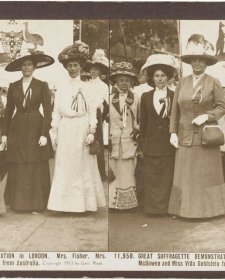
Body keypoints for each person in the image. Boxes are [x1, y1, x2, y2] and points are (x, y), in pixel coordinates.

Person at [169, 34, 225, 218]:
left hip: (206, 137)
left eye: (201, 60)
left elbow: (222, 106)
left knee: (206, 176)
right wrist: (173, 132)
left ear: (206, 62)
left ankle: (211, 211)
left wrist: (207, 117)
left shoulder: (213, 82)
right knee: (186, 176)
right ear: (190, 62)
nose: (197, 63)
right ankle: (184, 211)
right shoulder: (182, 83)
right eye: (194, 60)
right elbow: (175, 110)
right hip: (185, 136)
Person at [47, 41, 106, 213]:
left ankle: (83, 205)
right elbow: (56, 112)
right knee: (64, 165)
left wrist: (92, 131)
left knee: (83, 165)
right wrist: (54, 132)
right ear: (66, 68)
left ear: (81, 67)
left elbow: (92, 112)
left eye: (76, 65)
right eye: (70, 66)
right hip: (66, 128)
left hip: (81, 128)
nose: (73, 68)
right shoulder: (61, 88)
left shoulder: (88, 88)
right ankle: (62, 205)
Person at [2, 50, 54, 211]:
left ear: (34, 67)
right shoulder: (13, 86)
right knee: (18, 163)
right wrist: (3, 133)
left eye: (29, 64)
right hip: (17, 129)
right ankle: (18, 204)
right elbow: (9, 111)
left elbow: (48, 112)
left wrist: (44, 134)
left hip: (36, 128)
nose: (26, 67)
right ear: (20, 67)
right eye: (23, 65)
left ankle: (37, 204)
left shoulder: (42, 85)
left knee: (35, 164)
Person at [139, 54, 176, 214]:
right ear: (152, 78)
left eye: (163, 76)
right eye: (157, 76)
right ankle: (152, 208)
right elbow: (143, 123)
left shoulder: (174, 96)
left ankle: (166, 208)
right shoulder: (146, 96)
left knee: (166, 175)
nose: (160, 79)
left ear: (168, 78)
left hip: (168, 142)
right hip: (151, 143)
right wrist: (142, 144)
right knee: (151, 176)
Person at [109, 62, 139, 210]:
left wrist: (137, 130)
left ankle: (130, 204)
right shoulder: (110, 98)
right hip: (115, 140)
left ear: (132, 81)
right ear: (116, 81)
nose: (124, 83)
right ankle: (115, 203)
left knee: (129, 171)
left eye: (127, 80)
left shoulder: (137, 98)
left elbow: (140, 119)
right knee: (116, 170)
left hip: (130, 140)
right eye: (121, 80)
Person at [85, 49, 109, 180]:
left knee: (97, 142)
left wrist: (102, 111)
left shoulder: (103, 86)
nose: (93, 71)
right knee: (87, 141)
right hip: (87, 113)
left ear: (100, 71)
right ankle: (88, 173)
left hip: (97, 115)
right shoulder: (86, 84)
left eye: (96, 69)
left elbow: (107, 102)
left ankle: (101, 173)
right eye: (92, 69)